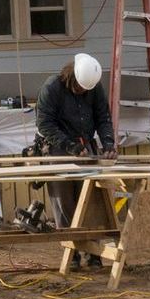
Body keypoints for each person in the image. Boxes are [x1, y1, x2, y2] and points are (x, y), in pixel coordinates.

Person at [33, 53, 115, 266]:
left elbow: (103, 117)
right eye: (79, 88)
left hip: (85, 147)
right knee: (64, 201)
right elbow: (44, 124)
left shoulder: (94, 87)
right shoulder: (52, 87)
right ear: (71, 78)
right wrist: (69, 145)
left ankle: (95, 251)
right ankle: (73, 253)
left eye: (85, 90)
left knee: (91, 200)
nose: (82, 92)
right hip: (58, 148)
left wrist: (107, 142)